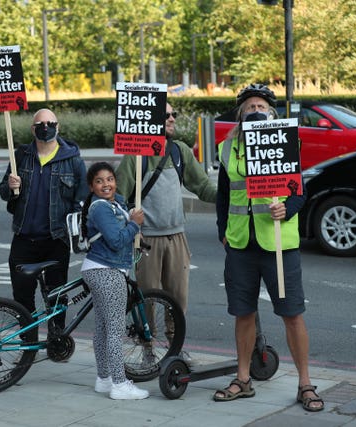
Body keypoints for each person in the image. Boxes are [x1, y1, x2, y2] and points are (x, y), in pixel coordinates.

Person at [213, 83, 324, 412]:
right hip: (240, 243)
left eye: (261, 106)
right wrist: (222, 230)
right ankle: (243, 378)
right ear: (240, 115)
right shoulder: (227, 148)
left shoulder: (284, 145)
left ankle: (305, 383)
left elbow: (299, 193)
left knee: (292, 315)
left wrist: (287, 209)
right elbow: (223, 194)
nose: (255, 111)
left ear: (271, 114)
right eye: (249, 108)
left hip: (278, 244)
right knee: (243, 313)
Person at [115, 102, 217, 363]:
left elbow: (203, 186)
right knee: (146, 297)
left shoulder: (179, 151)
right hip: (145, 238)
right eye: (165, 115)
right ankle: (148, 347)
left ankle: (175, 346)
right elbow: (117, 197)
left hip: (176, 237)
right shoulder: (136, 156)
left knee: (177, 298)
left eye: (174, 114)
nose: (171, 118)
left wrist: (230, 195)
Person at [0, 108, 88, 339]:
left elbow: (83, 199)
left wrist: (77, 227)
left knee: (57, 295)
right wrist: (10, 186)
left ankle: (56, 339)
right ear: (33, 128)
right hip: (23, 238)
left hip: (55, 239)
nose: (45, 127)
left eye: (50, 123)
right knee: (22, 296)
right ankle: (28, 341)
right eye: (40, 123)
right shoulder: (20, 156)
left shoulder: (73, 161)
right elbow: (3, 192)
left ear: (58, 127)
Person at [80, 162, 148, 400]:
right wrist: (134, 224)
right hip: (107, 270)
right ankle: (119, 384)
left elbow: (118, 200)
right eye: (99, 181)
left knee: (102, 328)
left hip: (97, 269)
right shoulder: (100, 209)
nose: (106, 184)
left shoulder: (112, 203)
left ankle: (104, 379)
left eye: (110, 179)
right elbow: (117, 241)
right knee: (115, 330)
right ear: (91, 186)